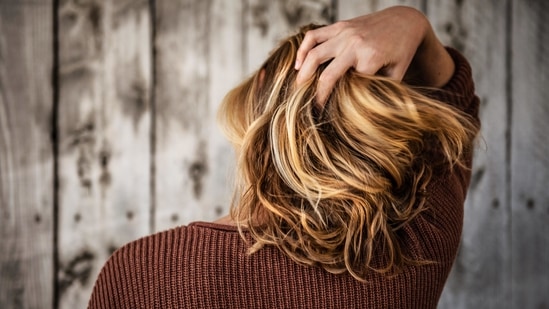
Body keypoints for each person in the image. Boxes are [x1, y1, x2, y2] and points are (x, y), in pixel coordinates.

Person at [88, 6, 480, 309]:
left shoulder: (140, 274)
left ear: (258, 101)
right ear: (373, 124)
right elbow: (456, 107)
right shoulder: (416, 246)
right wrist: (412, 23)